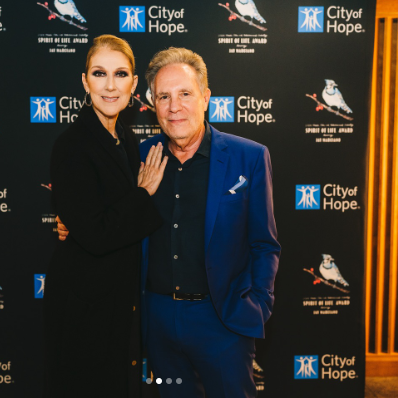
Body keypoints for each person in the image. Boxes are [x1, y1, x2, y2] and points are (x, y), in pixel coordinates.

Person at [58, 47, 280, 398]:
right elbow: (109, 214)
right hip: (157, 321)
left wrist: (258, 304)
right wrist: (72, 222)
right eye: (164, 96)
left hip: (222, 321)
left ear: (206, 98)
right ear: (152, 104)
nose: (174, 107)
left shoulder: (249, 157)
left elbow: (264, 243)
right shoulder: (139, 154)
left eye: (185, 94)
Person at [44, 34, 168, 398]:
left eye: (121, 74)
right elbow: (97, 234)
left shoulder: (126, 139)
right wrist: (142, 194)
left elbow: (108, 218)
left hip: (117, 298)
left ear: (133, 84)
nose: (110, 86)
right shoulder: (72, 144)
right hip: (83, 302)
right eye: (99, 74)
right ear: (85, 82)